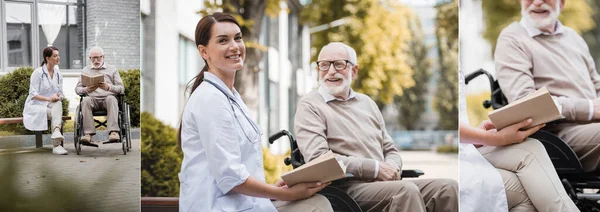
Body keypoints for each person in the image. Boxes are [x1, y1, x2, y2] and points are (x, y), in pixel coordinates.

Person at [178, 12, 333, 212]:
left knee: (318, 202)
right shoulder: (210, 100)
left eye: (238, 38)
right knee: (316, 207)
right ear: (204, 52)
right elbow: (230, 177)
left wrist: (272, 188)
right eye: (223, 40)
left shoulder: (230, 96)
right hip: (217, 207)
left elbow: (240, 168)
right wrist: (288, 194)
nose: (234, 46)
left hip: (243, 204)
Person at [294, 42, 458, 212]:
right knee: (405, 192)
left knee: (448, 188)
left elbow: (390, 149)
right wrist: (376, 169)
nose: (331, 71)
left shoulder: (367, 103)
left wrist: (392, 168)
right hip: (346, 188)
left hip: (383, 186)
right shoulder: (311, 105)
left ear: (354, 71)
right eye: (324, 65)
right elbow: (319, 160)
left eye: (339, 64)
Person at [495, 0, 600, 172]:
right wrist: (588, 109)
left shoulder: (574, 38)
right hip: (559, 135)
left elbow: (597, 85)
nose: (537, 2)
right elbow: (525, 102)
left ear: (562, 3)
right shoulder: (512, 39)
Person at [458, 70, 578, 211]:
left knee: (531, 152)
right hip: (460, 159)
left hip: (465, 147)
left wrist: (477, 136)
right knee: (529, 181)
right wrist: (492, 138)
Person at [75, 46, 124, 144]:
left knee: (111, 98)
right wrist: (86, 89)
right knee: (85, 100)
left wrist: (109, 87)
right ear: (90, 58)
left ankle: (113, 132)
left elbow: (121, 88)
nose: (96, 60)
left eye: (98, 57)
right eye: (93, 58)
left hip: (108, 99)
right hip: (92, 100)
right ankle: (88, 134)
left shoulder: (112, 69)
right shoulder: (85, 70)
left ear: (103, 57)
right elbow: (77, 89)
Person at [23, 46, 67, 155]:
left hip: (52, 104)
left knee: (58, 103)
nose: (58, 58)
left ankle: (56, 132)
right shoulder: (37, 73)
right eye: (55, 56)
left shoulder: (58, 74)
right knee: (56, 112)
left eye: (58, 55)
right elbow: (33, 94)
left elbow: (61, 94)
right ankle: (56, 145)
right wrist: (49, 98)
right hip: (36, 105)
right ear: (48, 58)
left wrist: (58, 97)